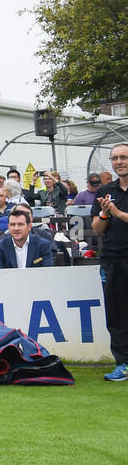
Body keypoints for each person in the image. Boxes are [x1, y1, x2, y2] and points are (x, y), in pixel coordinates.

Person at [92, 143, 128, 381]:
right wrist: (105, 212)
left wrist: (116, 212)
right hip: (112, 260)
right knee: (117, 317)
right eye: (114, 158)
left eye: (123, 157)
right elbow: (97, 229)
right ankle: (123, 364)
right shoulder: (105, 191)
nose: (119, 162)